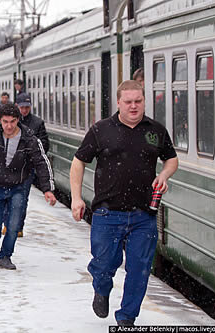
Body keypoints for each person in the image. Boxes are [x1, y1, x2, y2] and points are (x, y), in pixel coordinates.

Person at [70, 80, 178, 326]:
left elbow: (171, 159)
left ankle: (127, 318)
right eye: (128, 102)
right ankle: (102, 286)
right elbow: (79, 162)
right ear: (118, 103)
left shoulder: (156, 131)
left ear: (144, 102)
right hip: (108, 214)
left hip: (144, 215)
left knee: (139, 270)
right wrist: (76, 198)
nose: (133, 106)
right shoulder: (101, 130)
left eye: (138, 101)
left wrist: (163, 175)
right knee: (104, 263)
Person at [0, 103, 56, 270]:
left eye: (12, 122)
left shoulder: (29, 138)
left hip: (18, 187)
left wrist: (47, 189)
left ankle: (5, 256)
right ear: (0, 120)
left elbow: (41, 162)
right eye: (5, 121)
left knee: (13, 226)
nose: (9, 126)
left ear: (18, 120)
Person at [3, 92, 49, 237]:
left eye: (27, 107)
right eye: (22, 107)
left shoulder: (37, 123)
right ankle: (6, 224)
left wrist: (31, 155)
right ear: (17, 106)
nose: (24, 110)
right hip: (8, 166)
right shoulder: (9, 122)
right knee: (6, 197)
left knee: (21, 199)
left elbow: (44, 144)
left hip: (27, 168)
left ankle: (18, 226)